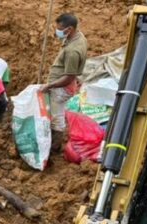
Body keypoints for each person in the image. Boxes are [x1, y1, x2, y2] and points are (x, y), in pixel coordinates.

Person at [40, 13, 87, 145]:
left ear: (70, 29)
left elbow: (68, 77)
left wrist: (50, 86)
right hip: (63, 83)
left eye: (60, 29)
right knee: (56, 113)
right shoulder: (78, 36)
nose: (57, 31)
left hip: (62, 88)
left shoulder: (73, 51)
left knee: (56, 117)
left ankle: (55, 145)